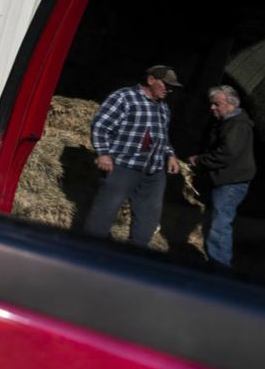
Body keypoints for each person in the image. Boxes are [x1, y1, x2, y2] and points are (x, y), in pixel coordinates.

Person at [83, 65, 182, 246]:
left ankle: (135, 254)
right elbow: (101, 125)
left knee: (149, 216)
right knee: (105, 210)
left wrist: (170, 155)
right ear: (151, 80)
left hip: (153, 170)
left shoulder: (164, 108)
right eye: (166, 84)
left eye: (172, 86)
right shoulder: (124, 97)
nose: (169, 89)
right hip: (123, 165)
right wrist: (103, 153)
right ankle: (89, 250)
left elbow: (162, 135)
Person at [188, 85, 255, 267]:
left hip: (231, 183)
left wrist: (200, 160)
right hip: (225, 181)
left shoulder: (237, 125)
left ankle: (220, 268)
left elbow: (227, 153)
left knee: (220, 225)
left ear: (231, 103)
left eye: (217, 104)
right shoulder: (228, 123)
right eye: (212, 104)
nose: (212, 108)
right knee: (215, 222)